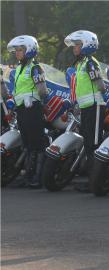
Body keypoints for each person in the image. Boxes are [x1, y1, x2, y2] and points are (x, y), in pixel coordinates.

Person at [64, 30, 107, 192]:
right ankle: (93, 180)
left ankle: (98, 181)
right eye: (74, 45)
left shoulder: (90, 63)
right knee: (88, 144)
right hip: (87, 108)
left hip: (95, 106)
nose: (74, 48)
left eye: (77, 45)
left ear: (87, 45)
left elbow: (101, 85)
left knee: (94, 144)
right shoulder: (82, 63)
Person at [7, 35, 48, 188]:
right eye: (16, 50)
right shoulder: (18, 68)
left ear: (29, 50)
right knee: (28, 143)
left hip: (33, 109)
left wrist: (34, 98)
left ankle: (38, 177)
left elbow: (42, 91)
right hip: (22, 110)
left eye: (20, 50)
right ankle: (28, 176)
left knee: (37, 143)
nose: (17, 53)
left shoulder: (35, 68)